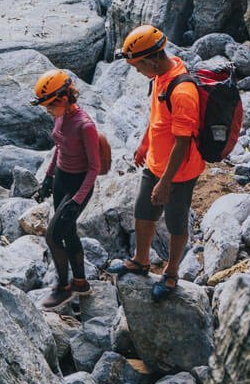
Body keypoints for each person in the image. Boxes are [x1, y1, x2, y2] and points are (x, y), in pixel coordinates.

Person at [108, 25, 205, 300]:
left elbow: (182, 142)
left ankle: (171, 273)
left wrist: (166, 182)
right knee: (143, 211)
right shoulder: (160, 76)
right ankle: (141, 260)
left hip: (179, 171)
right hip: (156, 162)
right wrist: (144, 144)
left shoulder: (182, 91)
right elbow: (158, 120)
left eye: (138, 66)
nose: (137, 71)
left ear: (151, 60)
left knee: (175, 221)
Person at [31, 69, 104, 311]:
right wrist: (49, 177)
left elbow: (95, 168)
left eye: (50, 106)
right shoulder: (60, 117)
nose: (48, 111)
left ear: (63, 99)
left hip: (78, 184)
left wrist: (77, 200)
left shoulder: (85, 126)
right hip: (62, 178)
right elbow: (59, 147)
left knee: (53, 236)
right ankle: (81, 283)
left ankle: (62, 288)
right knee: (68, 232)